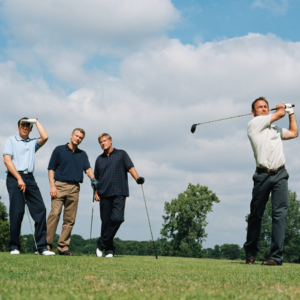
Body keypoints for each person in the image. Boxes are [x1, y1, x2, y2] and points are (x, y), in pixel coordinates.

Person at [244, 97, 298, 266]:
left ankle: (276, 257)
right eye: (260, 107)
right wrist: (281, 108)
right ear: (253, 112)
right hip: (262, 175)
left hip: (280, 173)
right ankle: (251, 254)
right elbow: (279, 113)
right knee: (256, 215)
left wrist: (291, 113)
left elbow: (294, 133)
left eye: (266, 107)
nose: (264, 109)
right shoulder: (254, 124)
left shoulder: (273, 129)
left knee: (279, 214)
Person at [3, 118, 55, 255]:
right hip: (14, 177)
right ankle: (14, 246)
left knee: (40, 209)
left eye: (28, 126)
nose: (25, 127)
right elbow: (7, 161)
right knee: (17, 211)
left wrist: (36, 121)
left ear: (31, 129)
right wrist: (19, 179)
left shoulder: (33, 143)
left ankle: (42, 247)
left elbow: (45, 137)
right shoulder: (11, 140)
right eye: (23, 125)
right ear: (18, 127)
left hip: (30, 178)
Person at [46, 128, 98, 256]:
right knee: (54, 214)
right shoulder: (59, 150)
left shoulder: (82, 154)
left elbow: (88, 168)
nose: (78, 139)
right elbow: (51, 169)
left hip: (75, 188)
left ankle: (63, 248)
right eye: (76, 136)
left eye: (80, 138)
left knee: (69, 219)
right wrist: (52, 186)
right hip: (59, 186)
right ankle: (46, 245)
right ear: (71, 135)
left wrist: (93, 178)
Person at [94, 133, 144, 258]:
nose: (103, 143)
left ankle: (101, 244)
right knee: (105, 223)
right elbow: (96, 179)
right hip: (104, 193)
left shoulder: (122, 154)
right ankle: (109, 250)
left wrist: (137, 178)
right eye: (101, 142)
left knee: (118, 219)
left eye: (105, 141)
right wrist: (95, 193)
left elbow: (130, 167)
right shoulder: (99, 159)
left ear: (111, 141)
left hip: (119, 192)